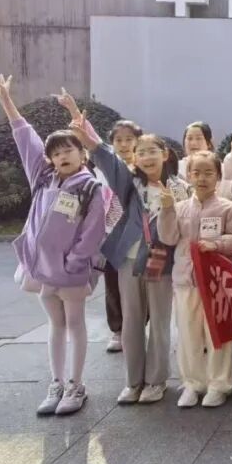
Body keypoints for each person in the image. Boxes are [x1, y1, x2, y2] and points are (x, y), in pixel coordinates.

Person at [0, 75, 108, 416]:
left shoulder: (89, 188)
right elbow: (25, 139)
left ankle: (76, 385)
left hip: (71, 273)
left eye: (68, 150)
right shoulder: (43, 178)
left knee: (75, 323)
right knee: (55, 325)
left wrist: (74, 262)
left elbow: (93, 231)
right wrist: (7, 102)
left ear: (82, 154)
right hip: (42, 270)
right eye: (56, 153)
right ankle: (56, 383)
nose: (62, 156)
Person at [72, 113, 190, 406]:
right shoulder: (131, 184)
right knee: (131, 321)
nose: (146, 157)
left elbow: (177, 233)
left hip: (162, 262)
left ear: (165, 154)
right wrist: (87, 137)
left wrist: (169, 208)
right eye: (141, 152)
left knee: (160, 323)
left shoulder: (179, 188)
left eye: (152, 151)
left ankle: (156, 381)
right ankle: (133, 381)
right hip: (129, 260)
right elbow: (109, 162)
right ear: (135, 158)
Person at [158, 151, 232, 408]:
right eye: (196, 173)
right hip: (185, 282)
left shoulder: (226, 207)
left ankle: (220, 384)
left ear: (218, 176)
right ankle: (192, 383)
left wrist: (217, 244)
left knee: (217, 333)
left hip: (216, 283)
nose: (202, 178)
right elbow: (167, 238)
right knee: (188, 334)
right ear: (188, 175)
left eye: (209, 173)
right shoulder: (179, 208)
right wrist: (166, 210)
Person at [102, 118, 143, 353]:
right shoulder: (102, 169)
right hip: (111, 236)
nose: (124, 144)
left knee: (140, 286)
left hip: (138, 237)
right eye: (118, 140)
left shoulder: (143, 169)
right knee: (113, 285)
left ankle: (138, 326)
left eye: (129, 139)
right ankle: (118, 330)